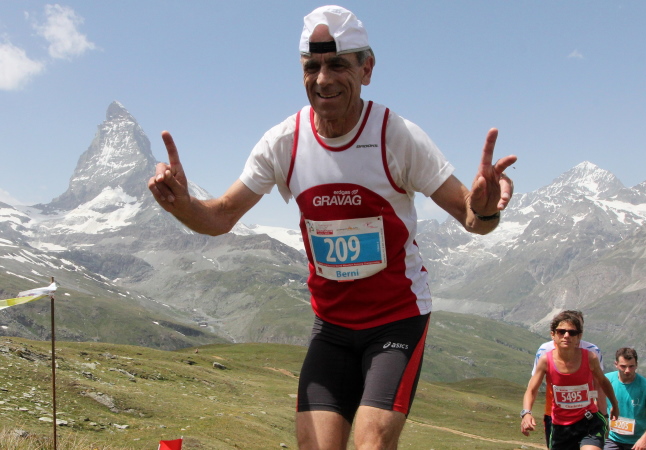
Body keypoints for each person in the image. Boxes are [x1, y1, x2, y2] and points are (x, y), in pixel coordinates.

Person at [148, 5, 517, 449]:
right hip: (332, 326)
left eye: (338, 64)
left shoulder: (397, 136)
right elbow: (220, 217)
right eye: (312, 66)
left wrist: (486, 209)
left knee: (371, 443)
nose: (323, 79)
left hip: (396, 320)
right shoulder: (283, 142)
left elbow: (472, 219)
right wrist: (182, 204)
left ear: (367, 69)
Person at [521, 311, 619, 450]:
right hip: (559, 425)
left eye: (572, 333)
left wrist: (614, 405)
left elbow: (602, 382)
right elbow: (531, 389)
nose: (566, 336)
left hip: (588, 420)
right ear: (553, 335)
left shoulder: (590, 357)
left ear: (579, 336)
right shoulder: (545, 359)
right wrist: (526, 413)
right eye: (561, 332)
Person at [604, 348, 646, 450]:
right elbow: (595, 403)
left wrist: (644, 440)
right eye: (623, 366)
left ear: (636, 365)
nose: (627, 370)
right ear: (616, 364)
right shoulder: (606, 380)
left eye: (631, 366)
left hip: (637, 442)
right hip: (612, 439)